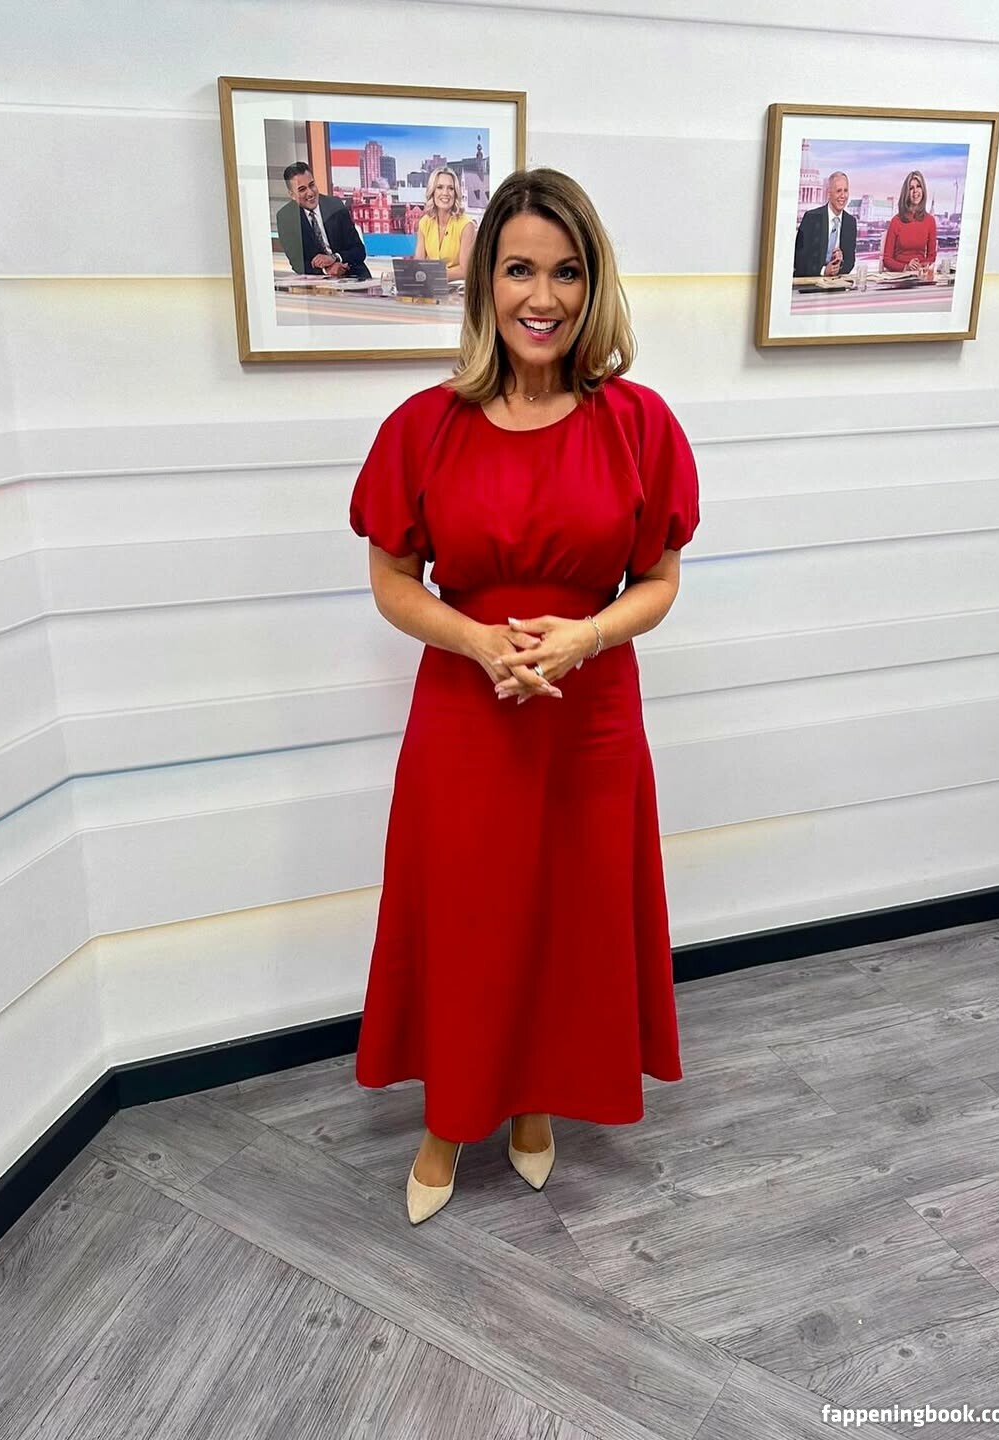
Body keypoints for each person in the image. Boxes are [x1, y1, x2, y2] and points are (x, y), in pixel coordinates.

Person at [349, 167, 701, 1226]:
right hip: (468, 719)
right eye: (518, 270)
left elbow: (659, 582)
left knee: (567, 919)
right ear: (484, 285)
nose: (541, 297)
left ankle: (536, 1101)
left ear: (594, 285)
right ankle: (447, 1119)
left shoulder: (638, 423)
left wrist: (588, 634)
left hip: (590, 718)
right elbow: (392, 581)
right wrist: (474, 641)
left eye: (566, 271)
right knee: (467, 922)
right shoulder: (424, 427)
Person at [274, 164, 371, 280]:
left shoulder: (335, 206)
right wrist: (327, 270)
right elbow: (297, 263)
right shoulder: (286, 217)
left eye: (312, 185)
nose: (310, 193)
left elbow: (359, 250)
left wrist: (335, 258)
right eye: (302, 189)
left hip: (353, 274)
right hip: (319, 281)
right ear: (292, 195)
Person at [413, 167, 477, 281]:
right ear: (432, 192)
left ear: (455, 193)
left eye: (450, 188)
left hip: (457, 288)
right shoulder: (425, 222)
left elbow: (465, 270)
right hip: (430, 287)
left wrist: (432, 275)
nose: (445, 193)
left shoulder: (466, 225)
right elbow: (418, 264)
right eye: (440, 187)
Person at [793, 171, 856, 278]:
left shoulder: (850, 222)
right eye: (838, 191)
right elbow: (799, 259)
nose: (843, 196)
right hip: (810, 283)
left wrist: (840, 264)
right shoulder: (811, 218)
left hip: (836, 283)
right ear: (829, 194)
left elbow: (850, 262)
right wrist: (823, 271)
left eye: (845, 191)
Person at [881, 170, 937, 273]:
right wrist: (906, 267)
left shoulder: (930, 221)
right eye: (911, 188)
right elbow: (887, 260)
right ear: (906, 193)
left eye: (918, 186)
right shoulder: (896, 221)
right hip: (899, 275)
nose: (915, 191)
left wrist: (920, 266)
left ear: (923, 190)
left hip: (919, 274)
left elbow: (931, 256)